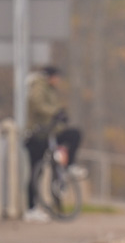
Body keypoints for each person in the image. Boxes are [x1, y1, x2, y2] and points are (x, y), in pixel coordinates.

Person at [24, 65, 86, 223]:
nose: (58, 81)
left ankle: (68, 166)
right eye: (56, 77)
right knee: (35, 173)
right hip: (37, 135)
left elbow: (50, 109)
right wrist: (55, 112)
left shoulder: (49, 89)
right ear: (50, 76)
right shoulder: (39, 85)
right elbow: (37, 104)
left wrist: (60, 116)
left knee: (74, 135)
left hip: (49, 133)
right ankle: (30, 209)